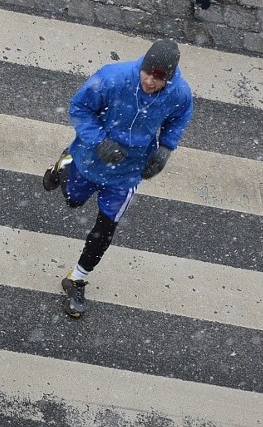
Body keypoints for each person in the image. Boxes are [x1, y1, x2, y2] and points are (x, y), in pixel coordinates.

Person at [42, 39, 194, 318]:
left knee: (106, 227)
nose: (150, 82)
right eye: (148, 74)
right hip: (90, 158)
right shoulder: (112, 78)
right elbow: (79, 108)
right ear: (142, 67)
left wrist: (165, 149)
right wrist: (99, 141)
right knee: (73, 200)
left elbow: (180, 118)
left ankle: (76, 278)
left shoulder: (179, 94)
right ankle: (63, 164)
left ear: (169, 78)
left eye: (159, 78)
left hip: (128, 172)